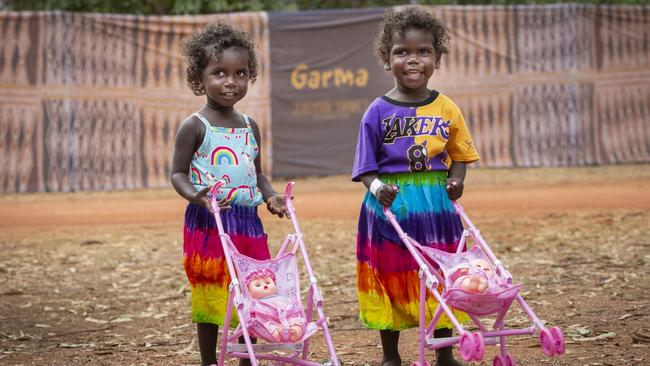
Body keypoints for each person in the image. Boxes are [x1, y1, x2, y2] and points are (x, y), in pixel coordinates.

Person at [351, 6, 480, 366]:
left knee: (441, 274)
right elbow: (365, 169)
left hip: (436, 207)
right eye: (401, 52)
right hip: (390, 210)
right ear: (386, 58)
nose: (413, 60)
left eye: (423, 52)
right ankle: (391, 355)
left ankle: (444, 353)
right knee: (389, 275)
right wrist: (379, 189)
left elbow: (460, 154)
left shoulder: (447, 108)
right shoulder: (376, 112)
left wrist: (456, 180)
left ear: (437, 59)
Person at [170, 22, 288, 366]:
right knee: (210, 291)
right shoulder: (194, 126)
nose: (230, 81)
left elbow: (258, 174)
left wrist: (271, 196)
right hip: (209, 221)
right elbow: (177, 173)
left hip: (247, 222)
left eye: (240, 73)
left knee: (253, 289)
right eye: (219, 73)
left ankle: (246, 358)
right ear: (200, 78)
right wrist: (197, 195)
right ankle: (210, 360)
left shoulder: (250, 125)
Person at [245, 268, 306, 343]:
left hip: (288, 321)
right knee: (267, 328)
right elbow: (248, 313)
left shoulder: (282, 299)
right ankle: (278, 333)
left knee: (298, 321)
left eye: (267, 282)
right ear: (249, 291)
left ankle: (295, 332)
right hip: (269, 324)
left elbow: (292, 308)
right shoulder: (254, 302)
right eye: (257, 285)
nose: (264, 285)